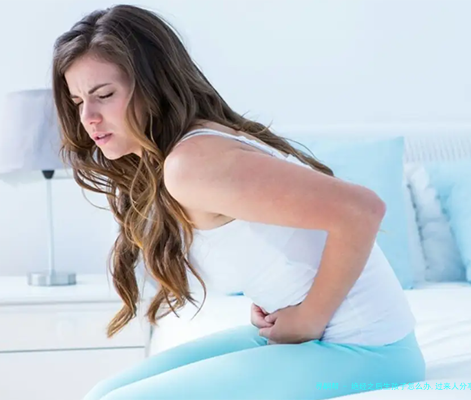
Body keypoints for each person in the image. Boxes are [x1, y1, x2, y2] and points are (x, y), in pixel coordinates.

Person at [51, 4, 425, 400]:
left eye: (104, 95)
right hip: (323, 339)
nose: (88, 117)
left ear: (153, 85)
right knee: (103, 393)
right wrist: (282, 301)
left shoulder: (192, 164)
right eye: (77, 102)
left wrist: (309, 318)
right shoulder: (186, 153)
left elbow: (362, 210)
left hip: (367, 350)